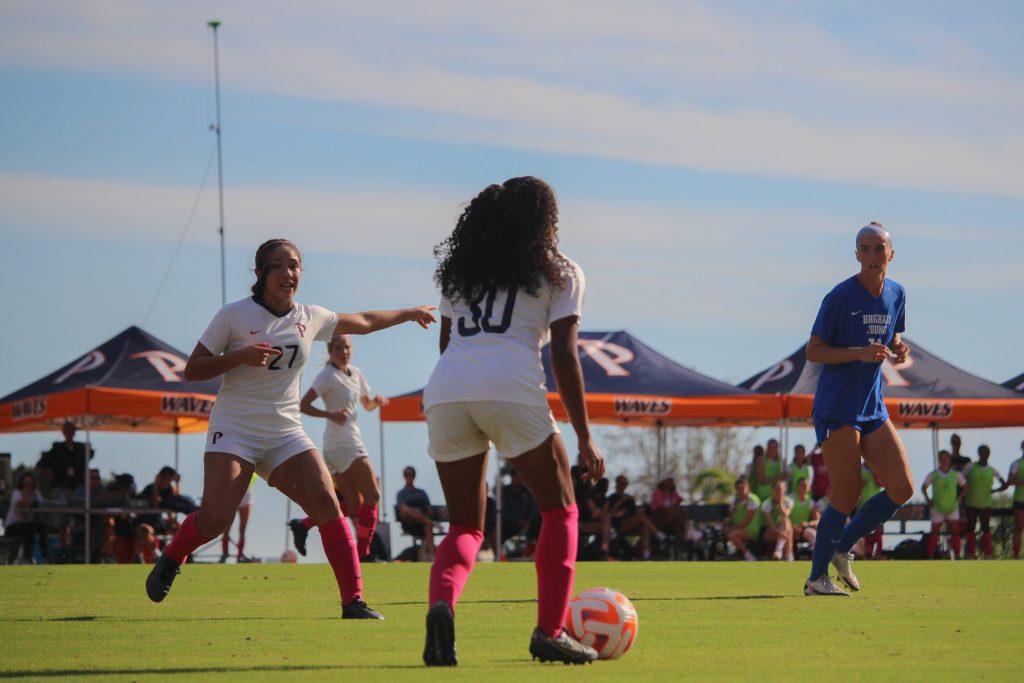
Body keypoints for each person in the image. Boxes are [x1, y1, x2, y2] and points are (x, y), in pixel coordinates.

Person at [144, 237, 435, 620]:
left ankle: (354, 602)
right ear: (261, 273)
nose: (288, 273)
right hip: (235, 429)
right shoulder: (233, 315)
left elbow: (364, 322)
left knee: (329, 505)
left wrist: (409, 312)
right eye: (278, 266)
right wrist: (239, 357)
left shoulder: (309, 316)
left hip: (285, 431)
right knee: (215, 518)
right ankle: (172, 556)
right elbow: (193, 369)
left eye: (294, 265)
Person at [420, 177, 603, 665]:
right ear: (545, 219)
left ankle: (442, 604)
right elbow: (564, 358)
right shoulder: (560, 272)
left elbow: (446, 345)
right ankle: (550, 631)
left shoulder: (461, 274)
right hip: (511, 386)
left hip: (445, 389)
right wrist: (585, 437)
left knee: (463, 525)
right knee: (560, 510)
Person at [803, 222, 914, 596]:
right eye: (864, 249)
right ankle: (816, 578)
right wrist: (857, 353)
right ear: (856, 255)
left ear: (891, 254)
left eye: (878, 248)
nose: (871, 255)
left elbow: (892, 334)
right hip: (837, 408)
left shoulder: (897, 294)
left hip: (872, 406)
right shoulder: (839, 297)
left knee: (902, 488)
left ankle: (841, 545)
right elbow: (814, 350)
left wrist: (899, 347)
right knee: (845, 494)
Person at [290, 334, 388, 560]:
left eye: (346, 347)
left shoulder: (356, 373)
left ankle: (303, 525)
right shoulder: (327, 375)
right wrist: (330, 415)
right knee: (373, 494)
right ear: (329, 351)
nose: (343, 352)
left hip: (340, 444)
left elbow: (367, 404)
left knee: (354, 504)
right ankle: (364, 554)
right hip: (344, 444)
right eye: (338, 348)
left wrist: (377, 401)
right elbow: (303, 405)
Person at [962, 445, 1006, 559]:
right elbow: (960, 480)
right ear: (979, 453)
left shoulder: (992, 470)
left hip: (985, 504)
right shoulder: (970, 467)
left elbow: (1004, 484)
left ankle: (987, 553)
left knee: (985, 528)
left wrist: (993, 491)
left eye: (987, 453)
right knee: (971, 528)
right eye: (982, 452)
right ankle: (971, 553)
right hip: (971, 502)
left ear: (989, 454)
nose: (985, 455)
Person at [922, 450, 968, 559]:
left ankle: (957, 555)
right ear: (939, 460)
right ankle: (930, 556)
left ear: (949, 460)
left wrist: (959, 499)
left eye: (946, 458)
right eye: (941, 458)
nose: (944, 460)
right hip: (937, 507)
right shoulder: (933, 474)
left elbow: (966, 487)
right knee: (934, 533)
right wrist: (928, 500)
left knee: (955, 532)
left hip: (952, 507)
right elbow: (923, 487)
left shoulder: (956, 474)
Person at [606, 475, 663, 560]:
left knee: (645, 529)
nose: (624, 486)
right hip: (619, 525)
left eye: (626, 483)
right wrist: (621, 502)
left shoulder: (629, 498)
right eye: (622, 483)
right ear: (617, 484)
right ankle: (660, 536)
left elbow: (635, 512)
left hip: (631, 524)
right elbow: (609, 513)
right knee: (641, 518)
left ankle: (646, 555)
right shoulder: (612, 497)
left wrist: (638, 508)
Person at [36, 421, 93, 501]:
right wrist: (49, 474)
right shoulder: (57, 449)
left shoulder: (80, 449)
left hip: (77, 486)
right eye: (67, 431)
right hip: (60, 486)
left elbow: (88, 458)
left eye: (72, 430)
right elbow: (41, 465)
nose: (70, 433)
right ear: (63, 432)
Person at [396, 466, 438, 561]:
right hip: (408, 523)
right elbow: (403, 510)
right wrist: (415, 511)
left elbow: (429, 509)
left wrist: (421, 512)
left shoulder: (422, 493)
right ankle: (431, 523)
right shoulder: (401, 494)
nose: (409, 477)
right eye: (406, 474)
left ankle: (431, 556)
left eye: (411, 474)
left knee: (427, 525)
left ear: (414, 476)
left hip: (422, 524)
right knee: (407, 510)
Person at [4, 472, 46, 563]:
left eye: (30, 482)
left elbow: (42, 506)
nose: (28, 484)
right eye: (26, 482)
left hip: (29, 524)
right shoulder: (17, 493)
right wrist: (26, 493)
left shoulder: (36, 493)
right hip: (13, 526)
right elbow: (22, 506)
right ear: (21, 482)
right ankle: (27, 558)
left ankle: (44, 556)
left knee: (42, 527)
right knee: (29, 528)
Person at [725, 477, 762, 562]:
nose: (739, 491)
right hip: (738, 528)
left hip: (752, 530)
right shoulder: (735, 501)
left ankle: (749, 557)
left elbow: (746, 522)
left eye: (742, 488)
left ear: (748, 488)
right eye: (737, 489)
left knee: (732, 534)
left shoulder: (752, 499)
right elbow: (731, 517)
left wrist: (730, 529)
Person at [221, 474, 256, 563]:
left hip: (246, 496)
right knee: (226, 527)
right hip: (232, 495)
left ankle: (240, 556)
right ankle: (225, 554)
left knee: (242, 529)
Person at [856, 463, 884, 559]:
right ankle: (867, 553)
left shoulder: (877, 467)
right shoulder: (859, 469)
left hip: (877, 504)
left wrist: (875, 472)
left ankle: (879, 553)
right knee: (865, 531)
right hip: (863, 505)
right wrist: (860, 483)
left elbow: (881, 484)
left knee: (878, 530)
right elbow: (852, 484)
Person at [761, 480, 794, 561]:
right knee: (788, 530)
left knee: (786, 524)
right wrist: (780, 533)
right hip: (769, 532)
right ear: (772, 490)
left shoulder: (789, 501)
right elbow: (770, 524)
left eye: (781, 490)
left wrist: (781, 503)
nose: (779, 492)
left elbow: (785, 514)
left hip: (783, 531)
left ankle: (779, 552)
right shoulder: (766, 504)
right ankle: (788, 556)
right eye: (777, 489)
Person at [790, 476, 819, 550]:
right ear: (797, 487)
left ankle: (815, 555)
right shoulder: (790, 500)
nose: (804, 487)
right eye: (801, 485)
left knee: (811, 533)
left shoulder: (811, 502)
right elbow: (785, 516)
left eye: (806, 485)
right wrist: (793, 527)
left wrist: (807, 524)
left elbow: (817, 520)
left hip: (804, 529)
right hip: (791, 529)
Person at [1008, 441, 1024, 559]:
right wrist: (1021, 482)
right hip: (1019, 500)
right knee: (1018, 527)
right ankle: (1016, 556)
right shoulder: (1015, 464)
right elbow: (1010, 481)